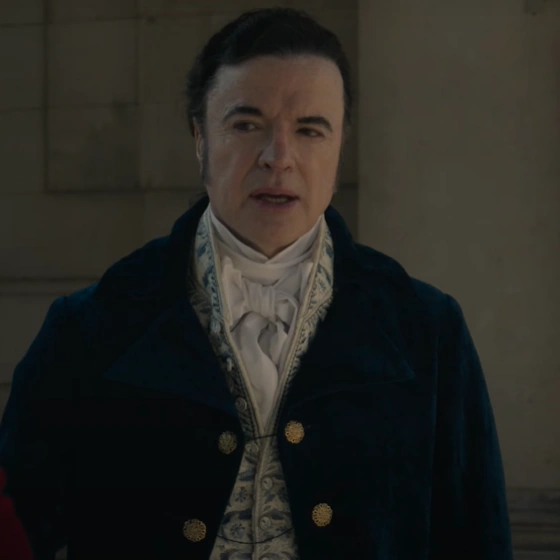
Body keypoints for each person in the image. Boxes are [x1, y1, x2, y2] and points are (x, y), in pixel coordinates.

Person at [0, 7, 513, 560]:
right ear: (200, 137)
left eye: (310, 130)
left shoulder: (427, 331)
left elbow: (476, 538)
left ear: (339, 146)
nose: (279, 158)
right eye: (247, 125)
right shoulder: (90, 328)